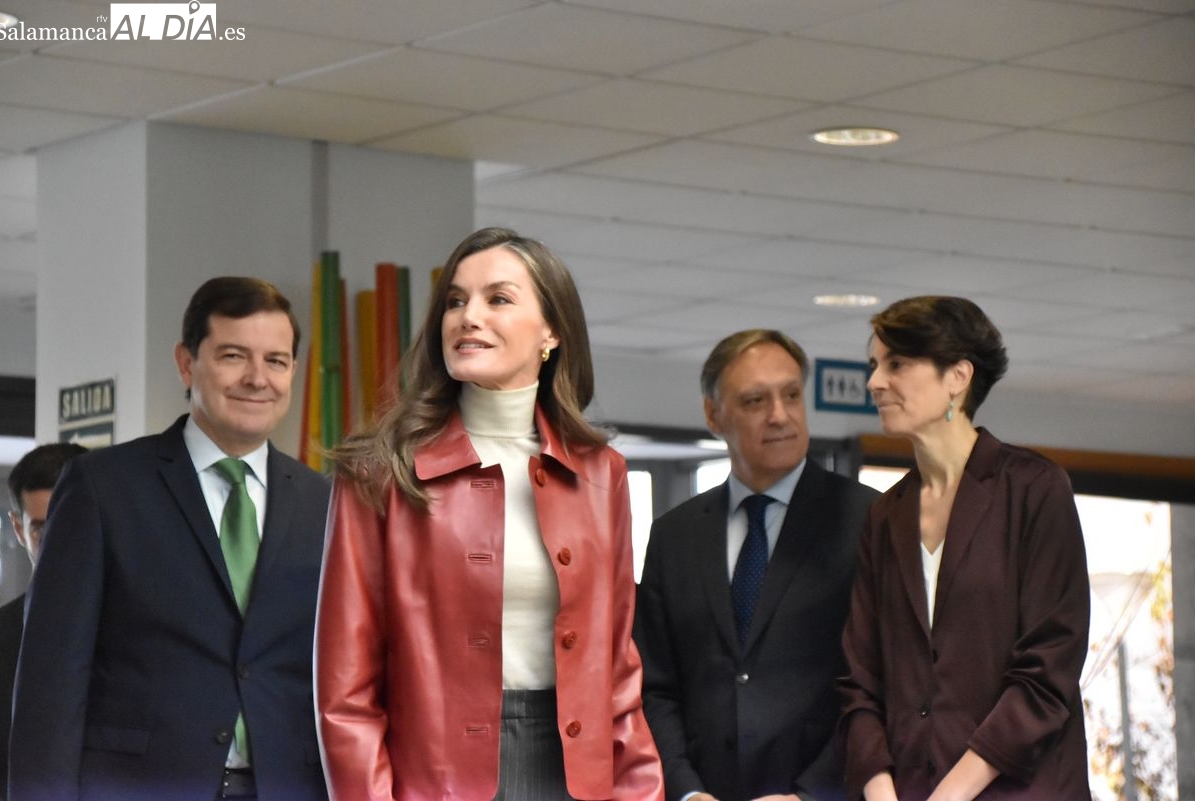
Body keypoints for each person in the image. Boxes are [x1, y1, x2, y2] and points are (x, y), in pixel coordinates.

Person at [315, 227, 663, 801]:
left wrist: (640, 792)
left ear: (551, 331)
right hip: (434, 779)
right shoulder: (379, 471)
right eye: (456, 301)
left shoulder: (603, 474)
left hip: (578, 773)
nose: (468, 316)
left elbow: (618, 672)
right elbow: (345, 692)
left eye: (497, 299)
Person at [9, 277, 331, 801]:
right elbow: (53, 677)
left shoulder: (323, 503)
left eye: (276, 360)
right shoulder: (103, 486)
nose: (257, 378)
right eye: (233, 355)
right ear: (186, 362)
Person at [838, 296, 1091, 801]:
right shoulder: (886, 516)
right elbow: (859, 681)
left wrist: (952, 793)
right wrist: (879, 788)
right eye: (874, 366)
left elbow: (1047, 672)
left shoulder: (1034, 490)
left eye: (897, 364)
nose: (874, 382)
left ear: (957, 376)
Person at [634, 329, 880, 801]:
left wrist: (811, 795)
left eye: (791, 395)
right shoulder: (674, 535)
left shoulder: (866, 520)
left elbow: (880, 684)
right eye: (754, 401)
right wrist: (686, 791)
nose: (780, 416)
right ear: (713, 414)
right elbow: (655, 687)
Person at [0, 443, 87, 801]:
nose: (59, 545)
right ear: (18, 529)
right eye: (41, 529)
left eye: (72, 525)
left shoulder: (154, 627)